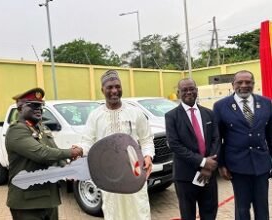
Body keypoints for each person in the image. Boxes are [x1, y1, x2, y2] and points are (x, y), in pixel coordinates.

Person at [78, 70, 155, 220]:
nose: (114, 91)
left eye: (117, 86)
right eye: (110, 87)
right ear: (102, 90)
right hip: (109, 174)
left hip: (134, 170)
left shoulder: (135, 113)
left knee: (139, 210)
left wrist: (148, 156)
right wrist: (79, 150)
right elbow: (87, 141)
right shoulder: (95, 115)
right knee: (113, 212)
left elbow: (146, 139)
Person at [6, 87, 83, 220]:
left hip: (49, 198)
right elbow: (43, 154)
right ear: (20, 108)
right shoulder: (17, 130)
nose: (39, 109)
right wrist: (71, 152)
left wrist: (67, 168)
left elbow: (54, 153)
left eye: (41, 106)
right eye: (33, 105)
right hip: (27, 203)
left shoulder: (43, 128)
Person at [213, 70, 272, 220]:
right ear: (233, 85)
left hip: (261, 164)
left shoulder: (266, 103)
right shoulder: (221, 106)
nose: (244, 85)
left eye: (248, 82)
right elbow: (217, 138)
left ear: (253, 84)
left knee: (262, 208)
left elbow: (270, 135)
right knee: (242, 209)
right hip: (237, 166)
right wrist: (221, 165)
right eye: (240, 82)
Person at [165, 78, 219, 220]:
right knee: (188, 215)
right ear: (178, 93)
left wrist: (208, 166)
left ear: (196, 90)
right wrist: (202, 162)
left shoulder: (209, 113)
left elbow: (216, 140)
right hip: (185, 177)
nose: (189, 92)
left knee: (210, 213)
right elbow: (175, 145)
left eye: (192, 89)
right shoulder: (171, 116)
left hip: (209, 175)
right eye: (184, 90)